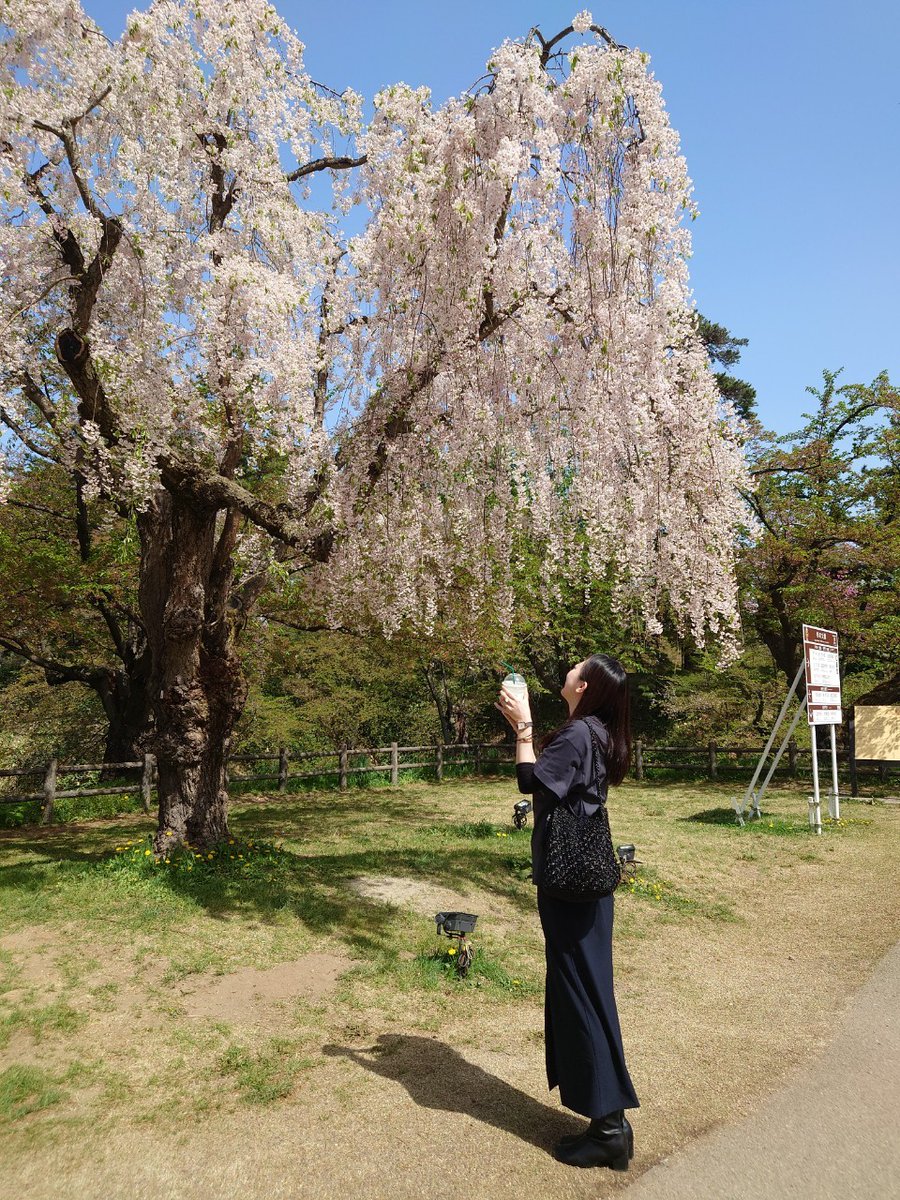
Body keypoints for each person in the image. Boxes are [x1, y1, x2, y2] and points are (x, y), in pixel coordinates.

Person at [496, 654, 639, 1170]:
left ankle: (608, 1130)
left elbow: (531, 783)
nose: (567, 672)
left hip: (571, 885)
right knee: (586, 988)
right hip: (588, 886)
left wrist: (524, 728)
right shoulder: (596, 730)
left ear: (585, 686)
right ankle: (610, 1123)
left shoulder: (580, 735)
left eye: (574, 669)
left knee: (579, 992)